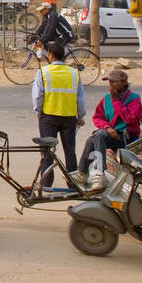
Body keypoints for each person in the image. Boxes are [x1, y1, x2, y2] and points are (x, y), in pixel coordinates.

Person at [71, 69, 142, 189]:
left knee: (99, 136)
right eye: (109, 82)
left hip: (127, 137)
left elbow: (130, 119)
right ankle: (83, 172)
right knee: (92, 140)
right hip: (110, 134)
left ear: (124, 83)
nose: (110, 85)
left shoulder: (134, 98)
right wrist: (108, 127)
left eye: (114, 82)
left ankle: (99, 173)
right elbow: (98, 117)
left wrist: (116, 101)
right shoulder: (106, 98)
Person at [32, 40, 85, 190]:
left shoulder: (43, 72)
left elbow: (37, 96)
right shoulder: (74, 73)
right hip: (69, 118)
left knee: (47, 151)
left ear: (50, 56)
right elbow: (80, 98)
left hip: (48, 117)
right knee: (70, 151)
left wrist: (39, 111)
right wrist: (80, 116)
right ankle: (73, 184)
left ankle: (46, 184)